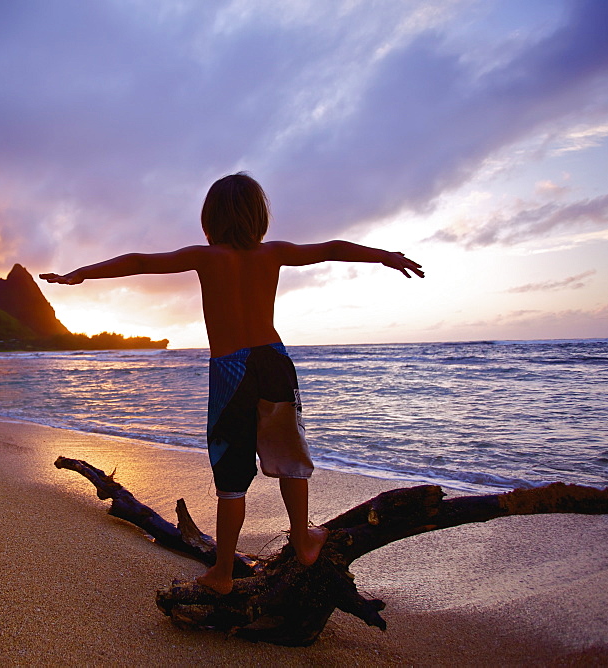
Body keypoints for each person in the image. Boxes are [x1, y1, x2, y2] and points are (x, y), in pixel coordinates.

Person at [40, 172, 424, 595]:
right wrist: (385, 256)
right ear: (260, 217)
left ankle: (223, 571)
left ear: (209, 220)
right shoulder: (273, 253)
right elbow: (332, 249)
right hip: (274, 360)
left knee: (230, 472)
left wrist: (82, 274)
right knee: (289, 455)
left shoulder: (208, 257)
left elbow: (139, 262)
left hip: (229, 369)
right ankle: (302, 537)